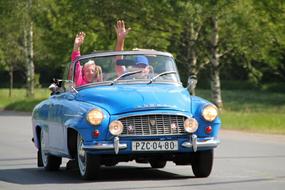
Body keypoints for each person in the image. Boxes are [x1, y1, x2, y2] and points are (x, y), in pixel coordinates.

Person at [70, 20, 131, 87]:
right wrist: (76, 47)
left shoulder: (101, 84)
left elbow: (119, 64)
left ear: (96, 72)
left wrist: (121, 40)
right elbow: (76, 66)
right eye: (87, 71)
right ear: (83, 73)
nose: (90, 73)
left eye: (92, 71)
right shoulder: (80, 82)